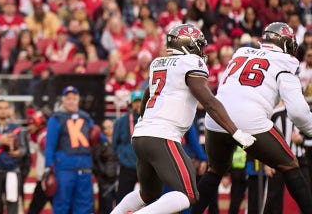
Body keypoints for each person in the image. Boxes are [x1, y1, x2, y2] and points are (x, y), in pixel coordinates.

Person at [111, 24, 256, 214]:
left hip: (141, 135)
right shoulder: (190, 63)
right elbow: (209, 101)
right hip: (163, 135)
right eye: (198, 45)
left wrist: (142, 121)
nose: (201, 51)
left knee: (148, 193)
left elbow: (148, 94)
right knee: (188, 195)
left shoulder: (158, 63)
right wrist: (236, 132)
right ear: (188, 45)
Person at [191, 22, 312, 214]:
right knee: (290, 164)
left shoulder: (241, 53)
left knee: (214, 172)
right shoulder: (286, 62)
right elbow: (297, 111)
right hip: (249, 119)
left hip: (216, 117)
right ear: (286, 44)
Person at [43, 86, 94, 214]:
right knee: (61, 206)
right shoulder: (56, 119)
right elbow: (50, 145)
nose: (71, 101)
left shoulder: (86, 117)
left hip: (84, 167)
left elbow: (98, 137)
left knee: (85, 207)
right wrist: (48, 166)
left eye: (74, 98)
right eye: (68, 98)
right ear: (63, 100)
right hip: (64, 169)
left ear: (78, 100)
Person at [113, 90, 143, 202]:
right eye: (135, 102)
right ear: (131, 103)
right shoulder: (121, 122)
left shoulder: (150, 120)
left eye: (140, 101)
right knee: (123, 199)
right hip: (127, 166)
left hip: (146, 167)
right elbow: (114, 144)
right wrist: (123, 157)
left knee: (150, 199)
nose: (138, 104)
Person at [26, 109, 51, 214]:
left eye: (31, 124)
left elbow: (49, 151)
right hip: (48, 177)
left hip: (46, 178)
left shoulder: (42, 136)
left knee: (34, 209)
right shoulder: (43, 133)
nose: (29, 127)